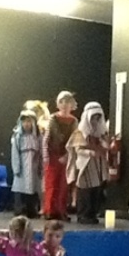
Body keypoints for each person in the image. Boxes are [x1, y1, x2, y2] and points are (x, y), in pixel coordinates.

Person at [66, 102, 109, 224]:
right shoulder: (80, 132)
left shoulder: (101, 133)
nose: (95, 121)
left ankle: (92, 214)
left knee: (96, 191)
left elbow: (106, 146)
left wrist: (105, 145)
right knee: (85, 191)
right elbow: (77, 150)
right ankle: (83, 214)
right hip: (85, 165)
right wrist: (90, 153)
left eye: (97, 118)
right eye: (93, 118)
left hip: (98, 165)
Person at [43, 91, 78, 221]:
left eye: (67, 102)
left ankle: (61, 210)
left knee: (64, 186)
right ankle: (50, 210)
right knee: (51, 184)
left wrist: (68, 156)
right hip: (52, 157)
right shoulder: (53, 118)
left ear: (72, 105)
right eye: (61, 102)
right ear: (58, 104)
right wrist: (46, 157)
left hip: (66, 157)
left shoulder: (74, 121)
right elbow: (46, 139)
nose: (64, 105)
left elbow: (75, 141)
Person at [11, 109, 41, 219]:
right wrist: (16, 168)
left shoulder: (38, 137)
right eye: (24, 122)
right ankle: (19, 210)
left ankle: (32, 210)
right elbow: (15, 153)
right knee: (20, 187)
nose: (26, 124)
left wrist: (40, 166)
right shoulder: (18, 137)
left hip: (34, 165)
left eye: (29, 121)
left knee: (33, 188)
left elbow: (41, 152)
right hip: (22, 165)